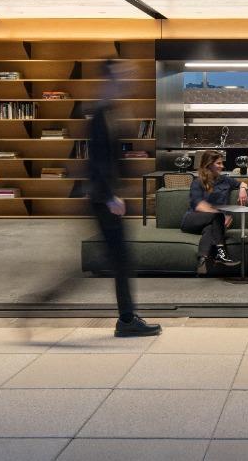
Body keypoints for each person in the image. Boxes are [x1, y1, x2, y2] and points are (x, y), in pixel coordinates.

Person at [88, 59, 161, 337]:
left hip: (107, 198)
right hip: (102, 200)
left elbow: (112, 160)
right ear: (109, 79)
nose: (129, 80)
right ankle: (127, 320)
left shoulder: (111, 111)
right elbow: (96, 161)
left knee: (120, 259)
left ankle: (127, 318)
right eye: (123, 76)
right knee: (120, 259)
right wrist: (109, 196)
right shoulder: (100, 114)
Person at [180, 150, 248, 275]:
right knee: (217, 218)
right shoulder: (197, 182)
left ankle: (202, 259)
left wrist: (243, 189)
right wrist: (221, 216)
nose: (222, 166)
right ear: (209, 164)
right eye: (218, 163)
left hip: (213, 223)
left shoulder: (225, 180)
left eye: (222, 163)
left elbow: (242, 183)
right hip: (192, 220)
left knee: (210, 229)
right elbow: (199, 205)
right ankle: (221, 254)